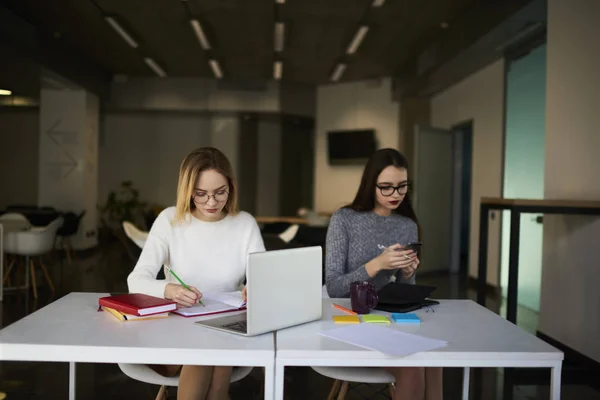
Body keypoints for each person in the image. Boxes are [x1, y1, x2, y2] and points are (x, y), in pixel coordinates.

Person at [127, 147, 265, 400]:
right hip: (177, 330)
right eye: (200, 194)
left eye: (219, 192)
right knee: (207, 352)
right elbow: (136, 280)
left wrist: (255, 288)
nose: (211, 202)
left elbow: (264, 278)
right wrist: (170, 290)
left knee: (214, 346)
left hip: (228, 327)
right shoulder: (170, 220)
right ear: (187, 191)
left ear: (231, 187)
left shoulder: (245, 224)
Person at [325, 148, 442, 400]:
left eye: (402, 187)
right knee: (414, 366)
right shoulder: (344, 219)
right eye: (386, 187)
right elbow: (334, 287)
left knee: (434, 359)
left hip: (389, 320)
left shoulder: (407, 225)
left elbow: (404, 289)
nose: (396, 194)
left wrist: (408, 273)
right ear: (370, 184)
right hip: (351, 321)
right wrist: (376, 264)